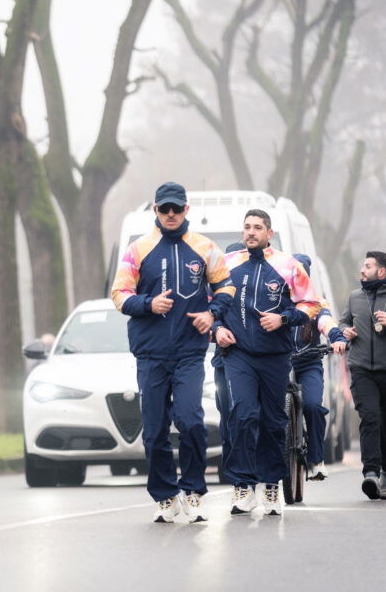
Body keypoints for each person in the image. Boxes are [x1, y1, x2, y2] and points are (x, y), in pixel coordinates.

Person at [110, 182, 234, 523]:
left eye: (175, 209)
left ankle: (193, 490)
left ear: (186, 211)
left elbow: (226, 286)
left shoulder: (206, 247)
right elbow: (119, 295)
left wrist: (212, 314)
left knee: (191, 420)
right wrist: (149, 304)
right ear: (155, 210)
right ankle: (165, 496)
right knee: (153, 430)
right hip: (150, 353)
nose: (170, 214)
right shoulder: (138, 250)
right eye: (164, 208)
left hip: (190, 352)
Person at [213, 209, 320, 517]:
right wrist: (219, 328)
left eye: (257, 227)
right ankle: (243, 487)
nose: (251, 232)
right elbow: (212, 304)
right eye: (247, 227)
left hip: (274, 356)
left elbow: (311, 304)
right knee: (242, 415)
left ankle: (272, 484)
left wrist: (284, 318)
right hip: (238, 354)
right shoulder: (227, 263)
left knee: (273, 422)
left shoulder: (288, 266)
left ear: (268, 233)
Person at [337, 251, 386, 500]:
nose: (362, 270)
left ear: (382, 271)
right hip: (361, 367)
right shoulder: (355, 297)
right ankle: (371, 473)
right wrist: (345, 332)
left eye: (367, 266)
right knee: (370, 417)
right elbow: (342, 322)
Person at [289, 253, 347, 482]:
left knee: (313, 405)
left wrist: (337, 337)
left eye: (301, 275)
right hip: (279, 365)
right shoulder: (276, 300)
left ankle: (316, 460)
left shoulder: (317, 303)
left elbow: (326, 322)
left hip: (308, 363)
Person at [210, 241, 246, 483]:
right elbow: (209, 314)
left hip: (252, 361)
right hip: (223, 361)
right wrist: (218, 328)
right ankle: (231, 468)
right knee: (228, 416)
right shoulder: (220, 288)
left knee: (247, 415)